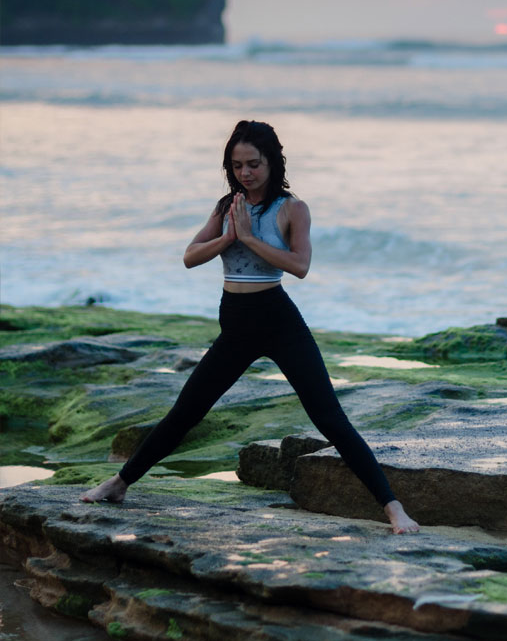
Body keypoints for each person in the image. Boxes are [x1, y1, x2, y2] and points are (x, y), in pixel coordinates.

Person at [81, 120, 419, 534]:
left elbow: (300, 266)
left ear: (273, 162)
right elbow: (189, 256)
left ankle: (393, 509)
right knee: (186, 412)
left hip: (278, 321)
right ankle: (120, 483)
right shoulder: (227, 206)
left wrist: (249, 238)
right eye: (237, 165)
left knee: (329, 418)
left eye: (254, 164)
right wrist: (227, 238)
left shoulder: (293, 209)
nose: (246, 173)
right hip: (236, 326)